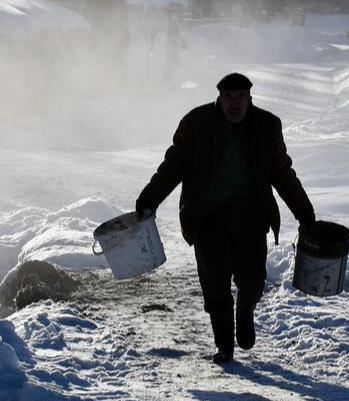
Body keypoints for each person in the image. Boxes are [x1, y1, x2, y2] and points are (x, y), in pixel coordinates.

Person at [135, 72, 315, 364]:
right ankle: (224, 346)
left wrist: (305, 214)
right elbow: (173, 166)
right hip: (208, 219)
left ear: (249, 99)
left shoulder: (266, 127)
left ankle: (245, 311)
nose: (234, 104)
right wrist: (148, 200)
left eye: (240, 97)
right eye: (228, 98)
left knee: (253, 281)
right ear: (219, 98)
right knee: (215, 285)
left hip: (251, 219)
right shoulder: (196, 124)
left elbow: (282, 173)